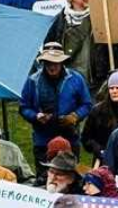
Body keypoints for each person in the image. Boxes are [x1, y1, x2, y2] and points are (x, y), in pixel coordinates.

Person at [19, 43, 92, 180]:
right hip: (43, 140)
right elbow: (23, 107)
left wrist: (75, 116)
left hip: (69, 139)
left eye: (55, 62)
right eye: (48, 62)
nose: (52, 66)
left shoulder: (76, 79)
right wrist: (36, 116)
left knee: (71, 179)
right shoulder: (33, 81)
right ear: (43, 62)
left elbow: (87, 104)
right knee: (44, 179)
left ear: (62, 62)